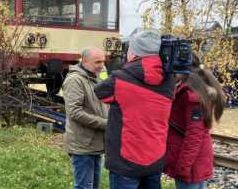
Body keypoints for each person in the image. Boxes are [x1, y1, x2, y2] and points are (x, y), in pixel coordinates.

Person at [94, 30, 175, 189]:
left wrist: (103, 74)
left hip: (126, 162)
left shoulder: (119, 79)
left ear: (133, 53)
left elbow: (100, 92)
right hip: (155, 159)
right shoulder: (169, 81)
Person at [165, 54, 225, 189]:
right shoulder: (194, 88)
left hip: (190, 165)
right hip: (194, 161)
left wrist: (182, 168)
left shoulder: (191, 95)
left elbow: (194, 135)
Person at [63, 46, 109, 189]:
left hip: (95, 143)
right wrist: (105, 123)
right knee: (84, 186)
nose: (102, 66)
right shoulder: (75, 80)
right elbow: (75, 112)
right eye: (97, 62)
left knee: (94, 186)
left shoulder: (97, 77)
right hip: (82, 145)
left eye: (103, 61)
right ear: (85, 62)